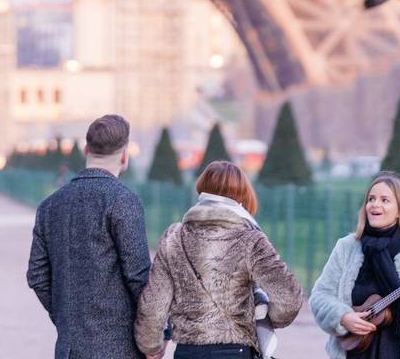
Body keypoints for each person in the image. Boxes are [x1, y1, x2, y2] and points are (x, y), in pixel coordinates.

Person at [135, 161, 304, 359]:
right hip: (235, 351)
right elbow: (289, 299)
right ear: (242, 196)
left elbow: (154, 304)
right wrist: (264, 318)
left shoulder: (174, 237)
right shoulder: (250, 239)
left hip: (188, 352)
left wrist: (151, 346)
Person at [27, 114, 152, 359]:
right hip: (119, 347)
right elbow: (139, 276)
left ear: (86, 149)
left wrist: (66, 320)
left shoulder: (49, 206)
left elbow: (37, 275)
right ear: (124, 155)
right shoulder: (122, 201)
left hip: (69, 347)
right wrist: (154, 336)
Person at [309, 172, 400, 359]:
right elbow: (320, 296)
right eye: (371, 199)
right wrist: (343, 317)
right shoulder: (346, 247)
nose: (375, 204)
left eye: (385, 200)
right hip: (353, 351)